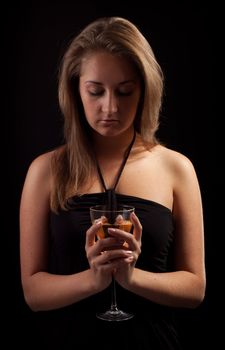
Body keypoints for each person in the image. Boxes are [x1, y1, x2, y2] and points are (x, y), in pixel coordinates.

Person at [19, 16, 206, 349]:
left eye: (124, 91)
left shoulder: (177, 168)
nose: (111, 107)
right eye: (95, 92)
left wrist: (131, 278)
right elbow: (33, 293)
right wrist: (94, 280)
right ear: (75, 89)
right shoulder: (44, 171)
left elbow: (194, 289)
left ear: (144, 89)